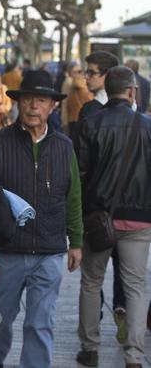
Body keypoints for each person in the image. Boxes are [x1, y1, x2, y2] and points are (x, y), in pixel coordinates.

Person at [0, 70, 83, 368]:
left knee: (40, 324)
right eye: (27, 99)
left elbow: (73, 197)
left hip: (49, 251)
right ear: (17, 103)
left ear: (52, 106)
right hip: (6, 252)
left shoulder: (65, 148)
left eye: (41, 100)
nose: (33, 106)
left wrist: (76, 242)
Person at [76, 66, 151, 368]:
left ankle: (90, 348)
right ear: (132, 91)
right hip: (139, 221)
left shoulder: (91, 124)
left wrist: (78, 218)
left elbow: (79, 176)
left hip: (98, 219)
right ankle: (133, 355)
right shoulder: (148, 126)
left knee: (91, 283)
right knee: (135, 286)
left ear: (108, 89)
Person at [78, 51, 119, 121]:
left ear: (107, 75)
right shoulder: (129, 107)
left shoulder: (90, 110)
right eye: (87, 72)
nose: (86, 77)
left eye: (91, 73)